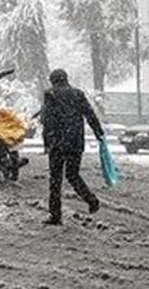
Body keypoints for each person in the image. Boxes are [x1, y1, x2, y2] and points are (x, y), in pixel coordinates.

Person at [40, 68, 104, 225]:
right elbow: (90, 114)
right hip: (75, 142)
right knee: (73, 174)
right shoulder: (78, 93)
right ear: (66, 79)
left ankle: (55, 216)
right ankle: (91, 200)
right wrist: (99, 133)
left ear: (53, 80)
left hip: (58, 143)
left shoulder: (50, 94)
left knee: (55, 179)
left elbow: (47, 121)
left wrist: (47, 143)